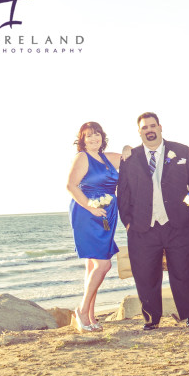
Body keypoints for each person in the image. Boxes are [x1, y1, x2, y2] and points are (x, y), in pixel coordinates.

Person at [116, 112, 189, 330]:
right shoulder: (130, 157)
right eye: (145, 127)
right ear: (139, 131)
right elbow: (123, 193)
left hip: (180, 224)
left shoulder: (181, 151)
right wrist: (127, 221)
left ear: (160, 127)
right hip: (142, 226)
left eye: (152, 126)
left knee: (185, 272)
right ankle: (151, 319)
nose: (149, 130)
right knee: (145, 274)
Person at [66, 121, 123, 332]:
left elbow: (131, 155)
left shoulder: (108, 158)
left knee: (92, 267)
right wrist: (91, 208)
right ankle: (81, 311)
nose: (93, 138)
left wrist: (127, 149)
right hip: (88, 213)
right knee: (103, 265)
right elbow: (71, 185)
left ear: (102, 136)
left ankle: (89, 316)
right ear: (82, 140)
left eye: (96, 134)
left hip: (107, 214)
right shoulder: (83, 157)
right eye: (88, 136)